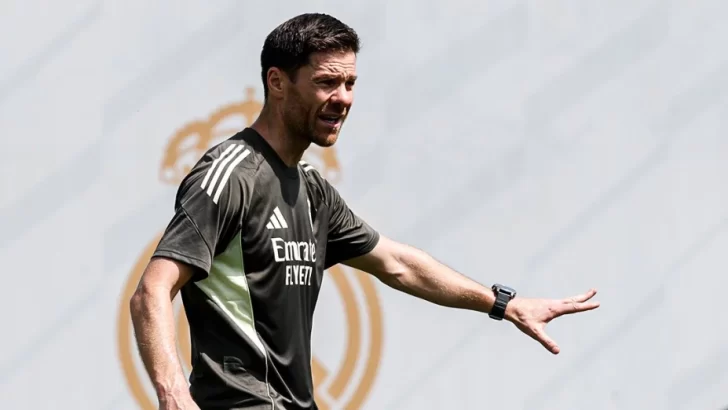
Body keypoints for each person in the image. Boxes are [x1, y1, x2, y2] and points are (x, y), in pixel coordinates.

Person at [129, 12, 600, 410]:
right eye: (326, 83)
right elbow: (152, 290)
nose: (343, 99)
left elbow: (398, 264)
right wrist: (173, 394)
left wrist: (503, 304)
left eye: (350, 83)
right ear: (277, 82)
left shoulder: (312, 188)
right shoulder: (232, 173)